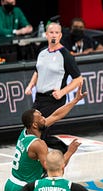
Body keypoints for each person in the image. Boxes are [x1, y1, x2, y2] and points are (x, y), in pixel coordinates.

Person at [3, 83, 87, 191]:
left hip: (10, 184)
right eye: (41, 117)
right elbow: (54, 168)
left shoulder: (26, 130)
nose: (44, 118)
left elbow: (56, 116)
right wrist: (70, 151)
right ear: (35, 125)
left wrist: (74, 100)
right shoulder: (38, 144)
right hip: (24, 188)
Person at [25, 22, 84, 153]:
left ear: (61, 35)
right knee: (33, 131)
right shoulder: (42, 53)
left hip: (54, 99)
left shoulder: (65, 55)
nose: (54, 35)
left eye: (57, 33)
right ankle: (63, 151)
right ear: (46, 35)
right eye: (51, 32)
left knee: (39, 132)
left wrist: (63, 92)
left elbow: (78, 79)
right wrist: (30, 86)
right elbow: (37, 71)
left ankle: (60, 154)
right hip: (39, 98)